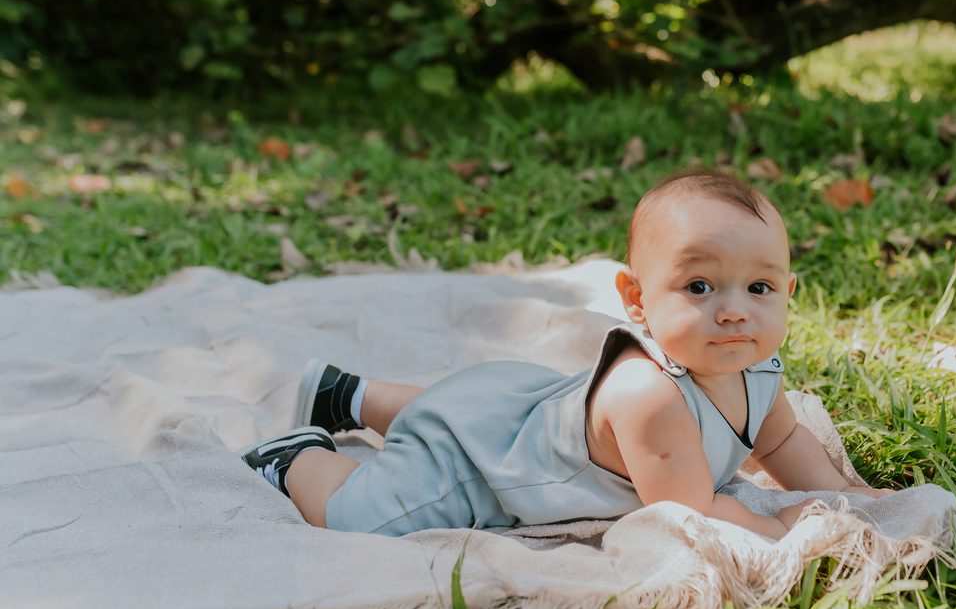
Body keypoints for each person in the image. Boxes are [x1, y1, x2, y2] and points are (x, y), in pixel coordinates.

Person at [239, 169, 892, 541]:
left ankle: (349, 393)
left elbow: (781, 444)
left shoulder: (756, 371)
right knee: (363, 515)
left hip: (509, 405)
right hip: (480, 464)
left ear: (788, 291)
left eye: (760, 287)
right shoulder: (652, 396)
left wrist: (844, 493)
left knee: (446, 407)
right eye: (699, 286)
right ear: (636, 300)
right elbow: (690, 511)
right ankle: (298, 455)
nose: (733, 309)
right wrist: (783, 529)